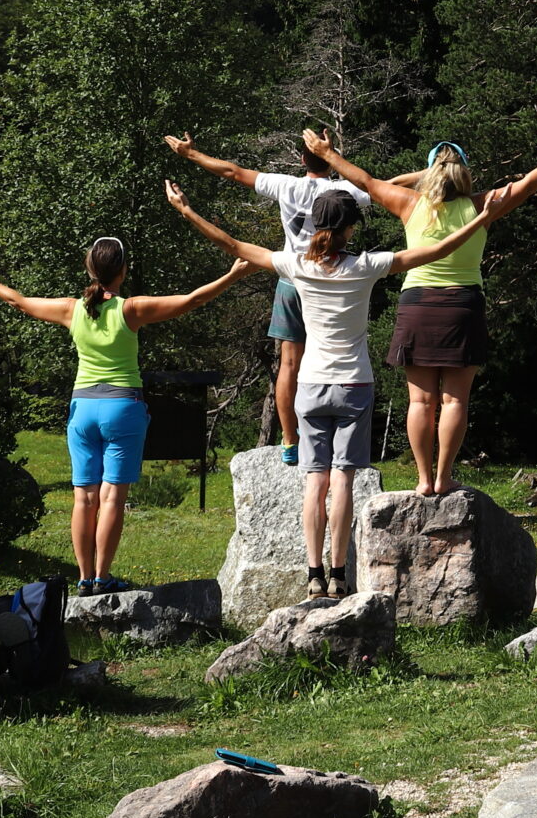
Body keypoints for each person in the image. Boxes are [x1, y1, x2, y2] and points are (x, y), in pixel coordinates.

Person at [167, 178, 502, 596]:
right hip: (354, 385)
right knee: (342, 480)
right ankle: (340, 574)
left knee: (315, 481)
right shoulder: (365, 266)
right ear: (348, 230)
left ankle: (313, 575)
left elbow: (234, 246)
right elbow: (434, 252)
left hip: (310, 386)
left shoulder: (297, 265)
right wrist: (481, 219)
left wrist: (187, 211)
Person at [303, 123, 537, 496]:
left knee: (420, 401)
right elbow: (532, 182)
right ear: (465, 173)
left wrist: (328, 155)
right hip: (463, 306)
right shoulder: (480, 206)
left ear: (428, 171)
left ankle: (423, 480)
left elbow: (367, 181)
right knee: (455, 399)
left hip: (417, 305)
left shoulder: (409, 203)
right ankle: (444, 477)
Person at [0, 236, 255, 595]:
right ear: (123, 270)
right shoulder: (131, 310)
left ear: (90, 269)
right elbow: (192, 300)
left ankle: (84, 579)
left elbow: (16, 300)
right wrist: (233, 274)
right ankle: (102, 577)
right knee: (112, 496)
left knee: (84, 497)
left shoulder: (71, 309)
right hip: (122, 408)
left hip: (82, 409)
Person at [162, 132, 368, 466]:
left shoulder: (286, 185)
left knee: (289, 363)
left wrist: (192, 155)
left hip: (291, 277)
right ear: (329, 156)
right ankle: (333, 435)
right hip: (333, 281)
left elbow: (233, 172)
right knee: (338, 354)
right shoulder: (344, 191)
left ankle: (290, 439)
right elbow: (383, 186)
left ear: (302, 159)